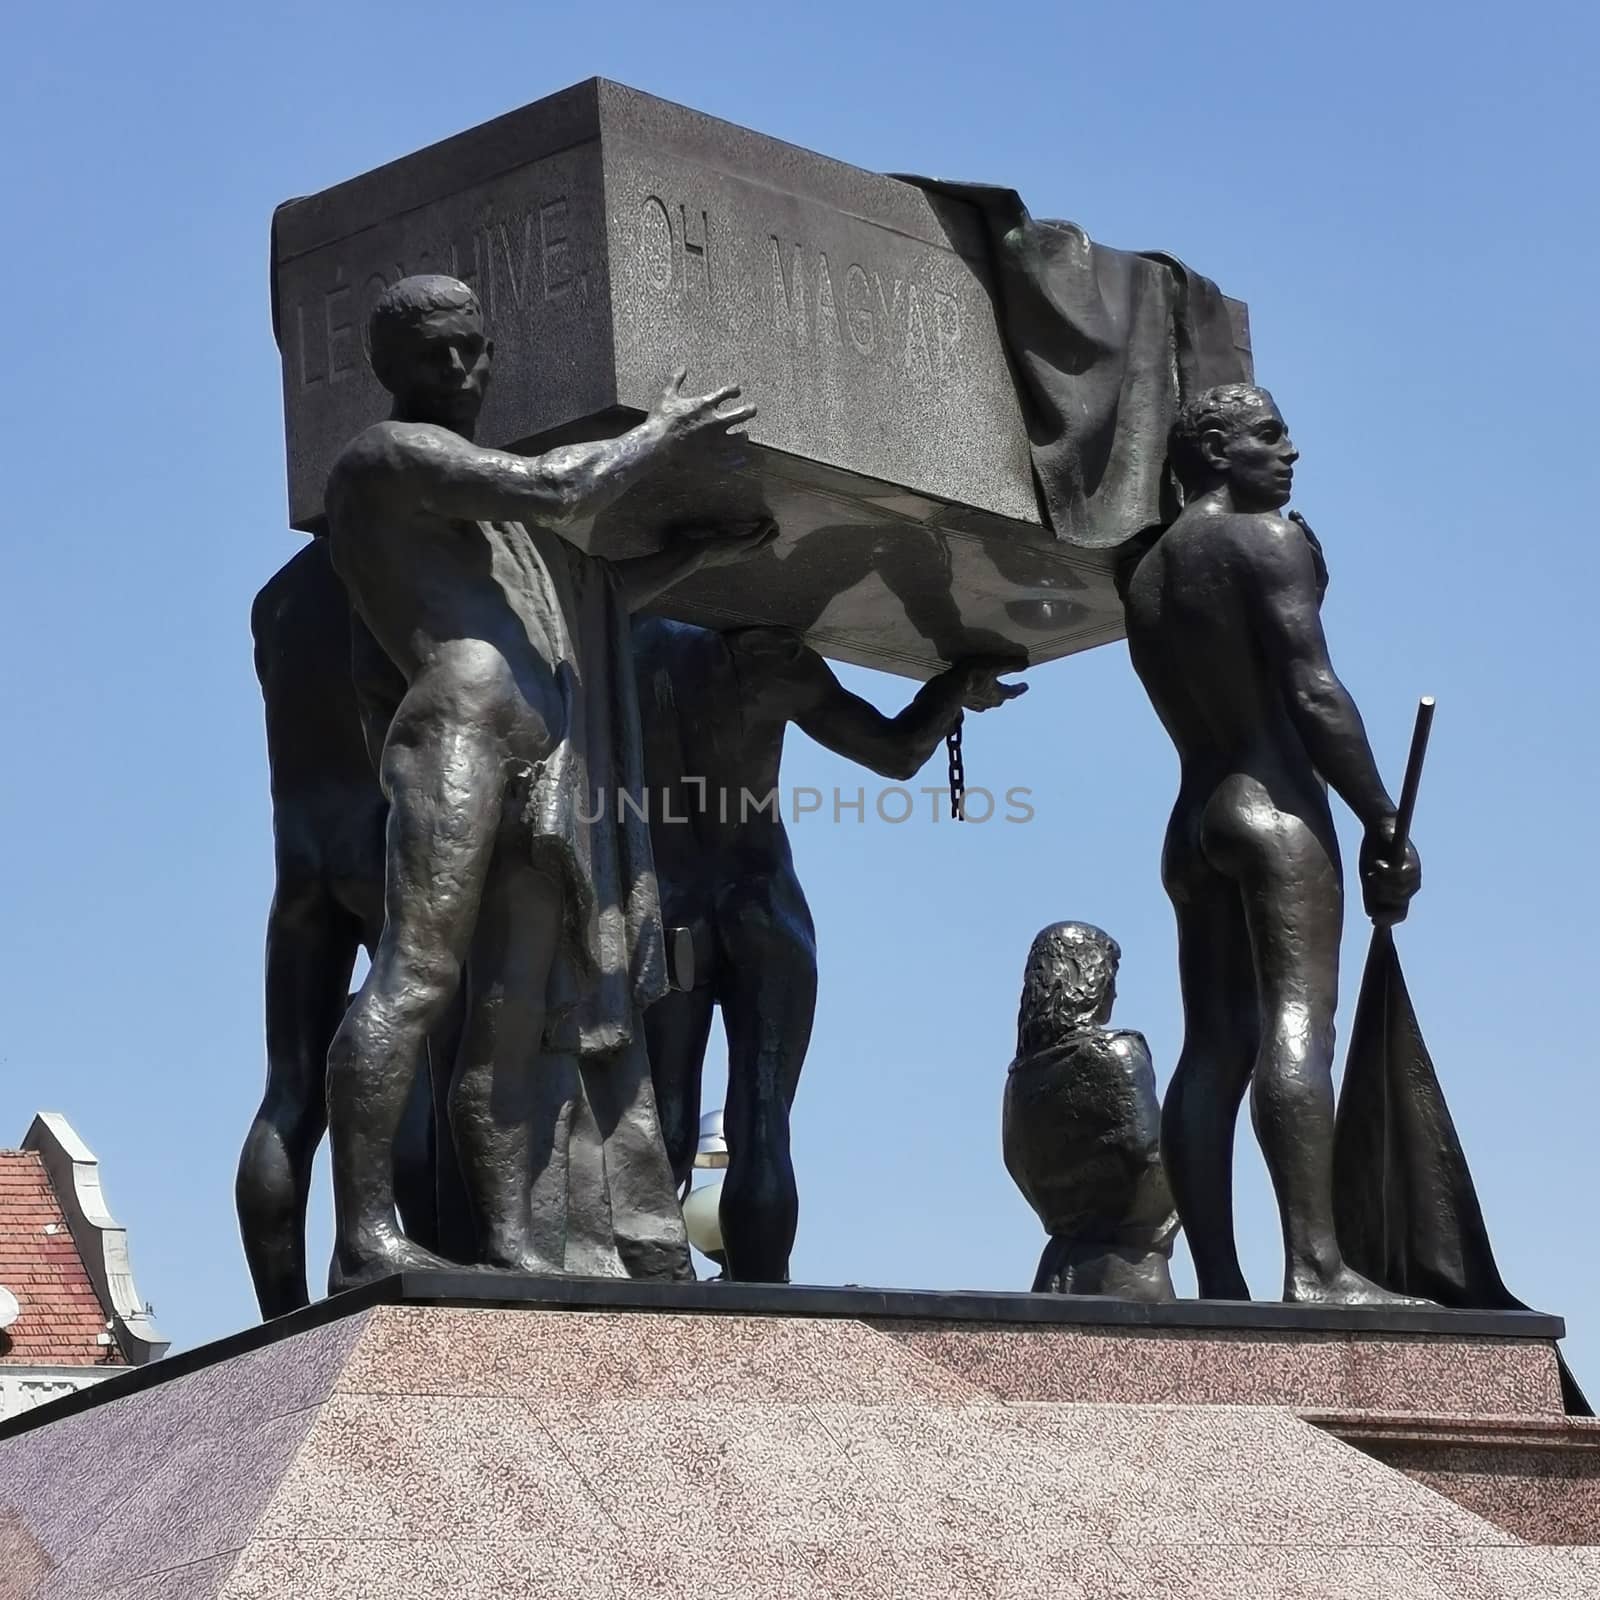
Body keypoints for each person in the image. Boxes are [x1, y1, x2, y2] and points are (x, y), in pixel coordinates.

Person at [323, 273, 774, 1291]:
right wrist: (662, 433)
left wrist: (697, 556)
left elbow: (588, 603)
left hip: (543, 771)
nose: (461, 368)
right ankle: (362, 1232)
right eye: (436, 351)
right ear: (386, 367)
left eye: (474, 347)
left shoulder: (475, 510)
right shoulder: (393, 456)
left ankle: (516, 1235)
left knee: (513, 1011)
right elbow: (559, 490)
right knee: (418, 974)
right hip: (460, 729)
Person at [1121, 382, 1420, 1304]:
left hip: (1192, 819)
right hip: (1275, 809)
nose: (1290, 452)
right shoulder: (1267, 536)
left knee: (1212, 1044)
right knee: (1300, 1024)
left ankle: (1217, 1280)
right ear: (1214, 451)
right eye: (1268, 434)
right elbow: (1314, 691)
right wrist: (1383, 817)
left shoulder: (1144, 571)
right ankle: (1318, 1269)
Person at [633, 617, 1024, 1281]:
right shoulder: (769, 655)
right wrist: (953, 688)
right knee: (761, 1118)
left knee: (659, 1120)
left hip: (669, 911)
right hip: (763, 906)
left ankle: (650, 1283)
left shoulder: (618, 645)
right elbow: (898, 753)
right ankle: (762, 1294)